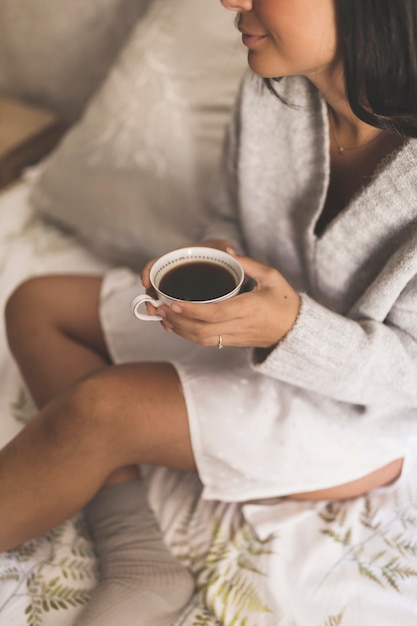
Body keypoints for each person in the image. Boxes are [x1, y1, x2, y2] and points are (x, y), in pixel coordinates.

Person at [2, 0, 417, 623]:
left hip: (360, 414)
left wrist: (290, 327)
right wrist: (219, 257)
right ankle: (140, 558)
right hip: (254, 332)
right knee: (36, 303)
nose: (230, 0)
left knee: (100, 407)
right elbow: (231, 212)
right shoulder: (274, 89)